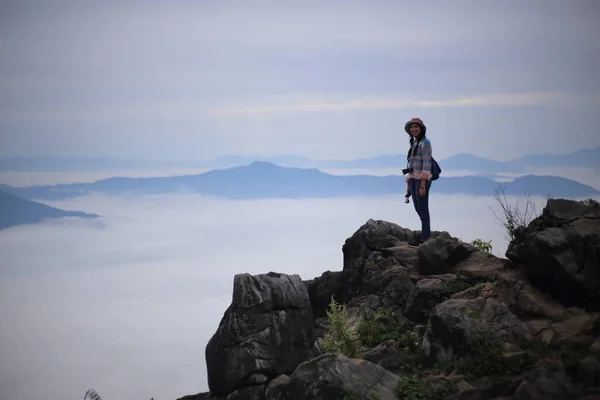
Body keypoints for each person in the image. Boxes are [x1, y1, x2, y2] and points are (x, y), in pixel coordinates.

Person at [404, 117, 433, 246]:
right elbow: (413, 164)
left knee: (423, 208)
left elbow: (426, 165)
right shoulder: (415, 143)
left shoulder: (425, 143)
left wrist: (422, 185)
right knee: (418, 208)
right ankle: (424, 234)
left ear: (421, 128)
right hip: (414, 179)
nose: (414, 129)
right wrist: (410, 181)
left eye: (416, 127)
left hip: (422, 181)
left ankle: (425, 237)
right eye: (412, 127)